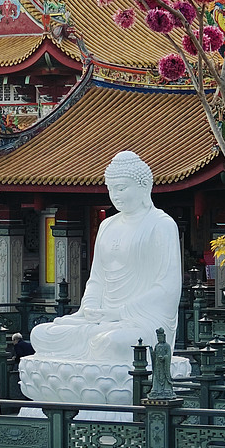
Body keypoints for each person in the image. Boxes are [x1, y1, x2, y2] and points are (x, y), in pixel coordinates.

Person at [30, 151, 182, 363]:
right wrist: (89, 308)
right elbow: (97, 279)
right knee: (42, 334)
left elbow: (167, 288)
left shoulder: (161, 224)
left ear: (144, 186)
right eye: (111, 189)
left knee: (110, 343)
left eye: (121, 188)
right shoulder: (107, 225)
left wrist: (119, 312)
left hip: (140, 320)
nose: (115, 195)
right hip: (101, 319)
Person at [148, 327, 175, 400]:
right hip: (158, 366)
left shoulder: (167, 346)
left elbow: (169, 355)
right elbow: (154, 355)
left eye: (160, 337)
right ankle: (155, 390)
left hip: (164, 366)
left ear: (164, 337)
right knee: (156, 377)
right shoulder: (157, 346)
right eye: (158, 337)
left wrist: (164, 357)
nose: (159, 339)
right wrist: (152, 352)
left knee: (165, 378)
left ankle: (167, 390)